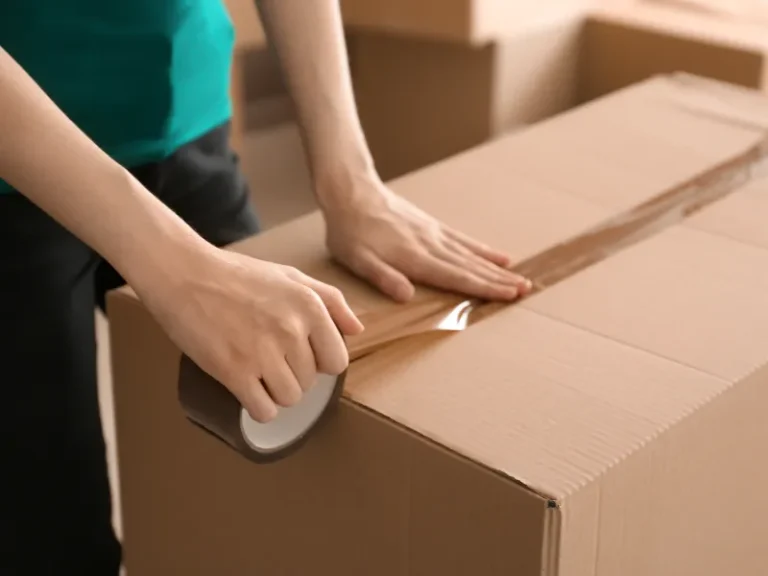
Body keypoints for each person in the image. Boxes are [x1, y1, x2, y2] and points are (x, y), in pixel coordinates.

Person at [0, 1, 531, 573]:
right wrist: (180, 270)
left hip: (184, 113)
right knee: (48, 529)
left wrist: (350, 183)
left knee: (275, 443)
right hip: (19, 154)